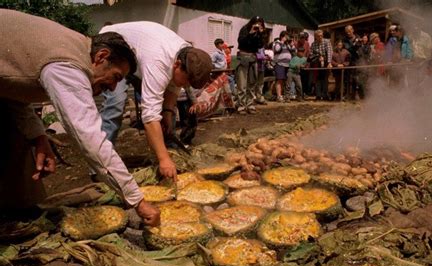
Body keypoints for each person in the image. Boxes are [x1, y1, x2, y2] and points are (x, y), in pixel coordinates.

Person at [0, 9, 160, 225]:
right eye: (115, 77)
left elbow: (12, 91)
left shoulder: (76, 48)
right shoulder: (68, 65)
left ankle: (15, 217)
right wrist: (138, 201)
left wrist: (38, 137)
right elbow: (90, 139)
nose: (113, 88)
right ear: (101, 56)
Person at [98, 21, 212, 182]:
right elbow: (149, 115)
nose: (186, 86)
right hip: (114, 48)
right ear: (177, 65)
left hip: (139, 58)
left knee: (165, 117)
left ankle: (164, 154)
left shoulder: (185, 55)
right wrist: (164, 159)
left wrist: (167, 111)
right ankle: (99, 166)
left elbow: (173, 86)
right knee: (115, 105)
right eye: (186, 81)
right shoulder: (159, 61)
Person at [235, 16, 266, 114]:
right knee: (242, 84)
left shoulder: (259, 33)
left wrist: (260, 34)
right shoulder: (245, 29)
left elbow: (260, 45)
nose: (257, 25)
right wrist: (250, 33)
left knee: (252, 83)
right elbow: (240, 42)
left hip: (253, 58)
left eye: (260, 23)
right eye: (256, 23)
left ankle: (250, 104)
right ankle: (241, 106)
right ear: (252, 22)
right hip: (243, 56)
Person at [309, 30, 333, 100]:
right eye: (318, 36)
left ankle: (325, 94)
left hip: (325, 61)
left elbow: (329, 52)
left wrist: (329, 62)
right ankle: (318, 94)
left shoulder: (327, 42)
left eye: (321, 36)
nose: (320, 37)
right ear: (315, 37)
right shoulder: (313, 44)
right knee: (317, 78)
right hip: (317, 62)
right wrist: (317, 57)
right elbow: (311, 53)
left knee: (325, 78)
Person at [273, 31, 293, 102]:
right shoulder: (277, 43)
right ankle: (279, 96)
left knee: (285, 80)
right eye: (286, 36)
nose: (287, 38)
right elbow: (277, 49)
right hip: (279, 64)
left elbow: (293, 50)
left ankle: (285, 95)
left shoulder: (286, 44)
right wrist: (281, 42)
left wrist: (291, 44)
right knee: (279, 79)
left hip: (287, 64)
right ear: (282, 36)